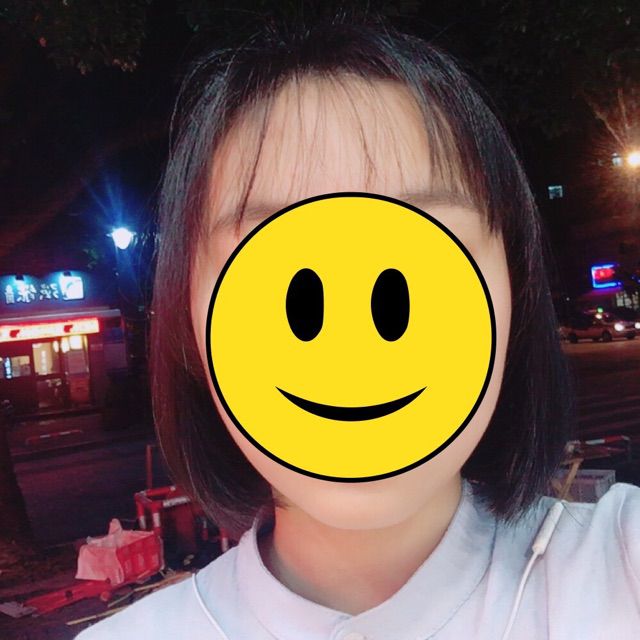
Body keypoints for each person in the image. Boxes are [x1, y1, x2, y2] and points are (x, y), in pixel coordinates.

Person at [75, 11, 640, 640]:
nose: (353, 338)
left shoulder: (622, 564)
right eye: (279, 263)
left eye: (421, 251)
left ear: (515, 295)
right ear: (189, 322)